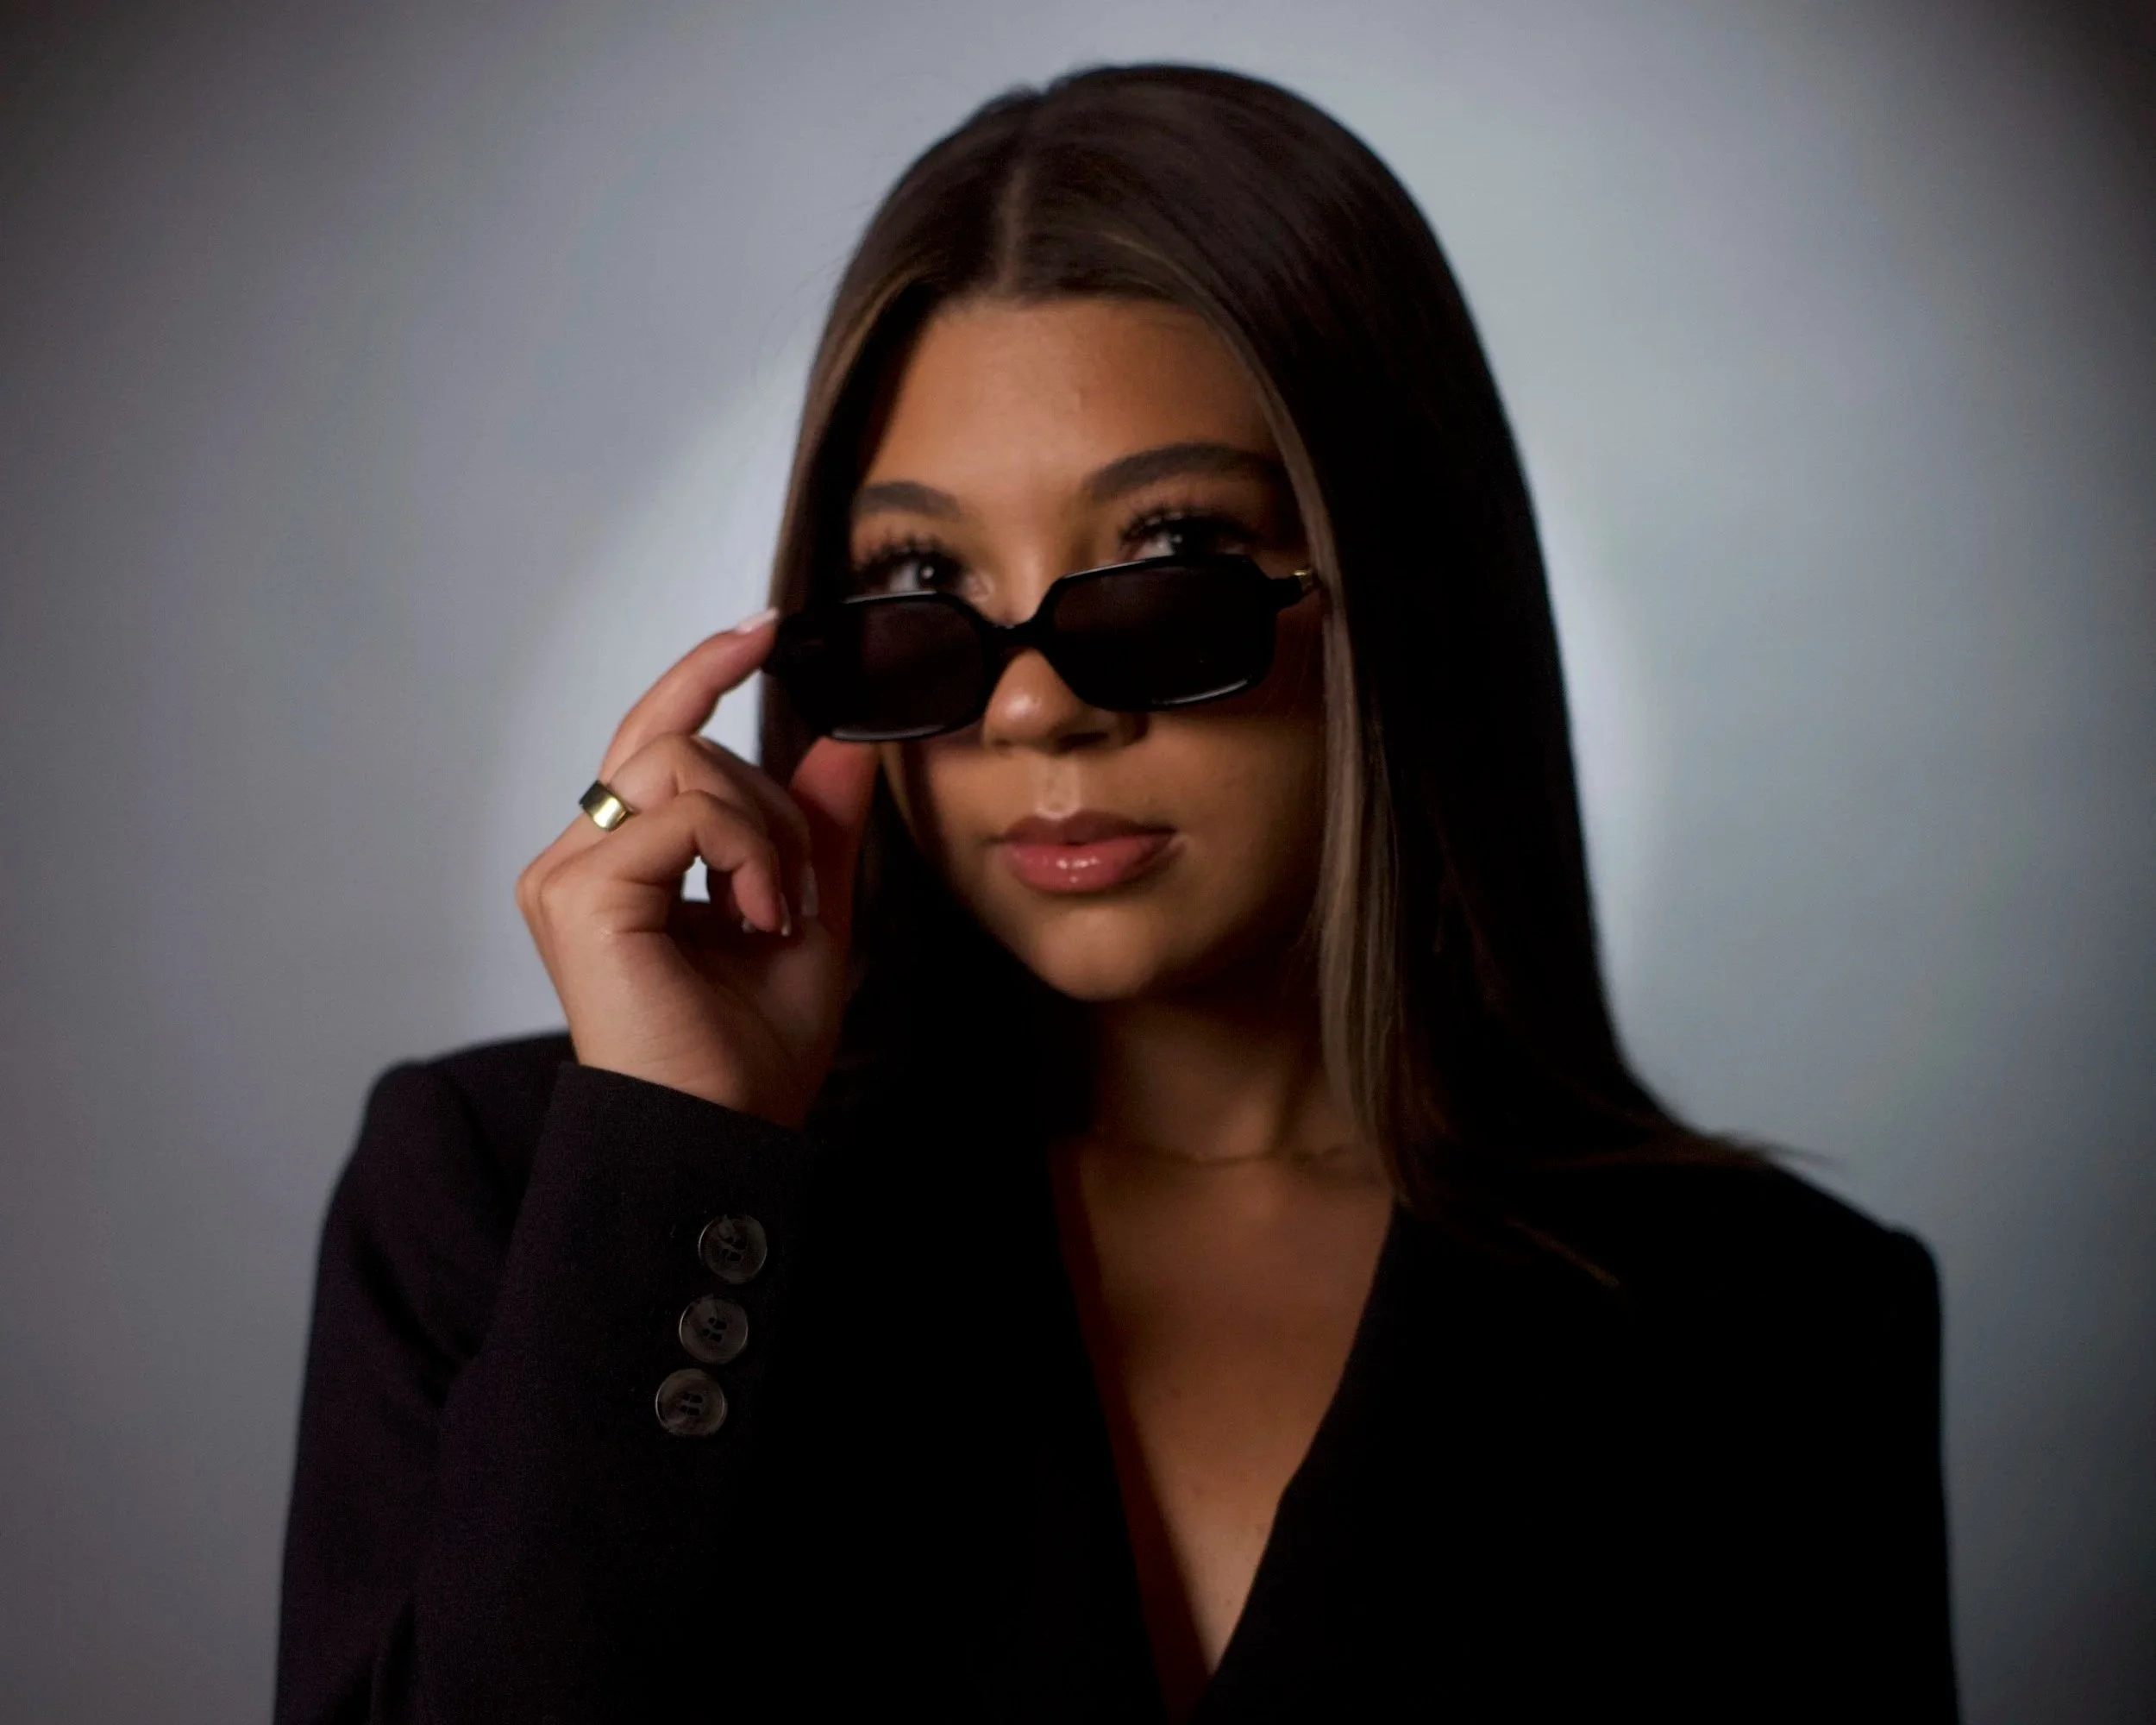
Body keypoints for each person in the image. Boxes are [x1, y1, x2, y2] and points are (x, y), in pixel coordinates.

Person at [273, 62, 1959, 1723]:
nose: (1028, 705)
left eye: (1166, 564)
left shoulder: (1772, 1326)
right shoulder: (523, 1210)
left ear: (1395, 593)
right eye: (921, 582)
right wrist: (673, 1160)